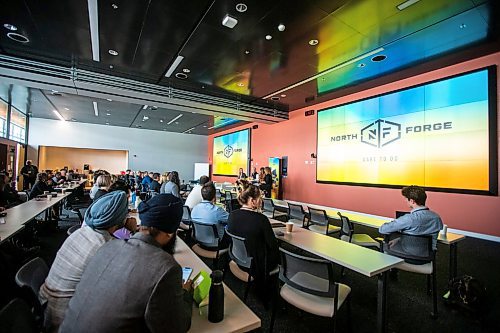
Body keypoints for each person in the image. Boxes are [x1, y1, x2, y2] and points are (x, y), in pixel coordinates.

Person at [60, 194, 193, 333]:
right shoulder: (167, 269)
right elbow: (176, 328)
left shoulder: (107, 247)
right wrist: (185, 292)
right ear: (170, 233)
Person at [39, 191, 132, 332]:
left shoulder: (81, 232)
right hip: (65, 320)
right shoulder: (107, 246)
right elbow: (124, 284)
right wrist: (131, 232)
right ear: (121, 219)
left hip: (47, 309)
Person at [227, 184, 279, 302]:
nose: (261, 201)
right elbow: (273, 246)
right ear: (252, 200)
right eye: (260, 198)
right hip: (256, 265)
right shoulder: (261, 219)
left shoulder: (232, 215)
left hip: (237, 258)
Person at [379, 185, 443, 260]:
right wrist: (398, 239)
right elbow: (419, 236)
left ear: (412, 201)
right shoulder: (436, 217)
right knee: (395, 242)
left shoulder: (408, 219)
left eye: (406, 199)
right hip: (427, 257)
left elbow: (382, 229)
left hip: (407, 255)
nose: (405, 201)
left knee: (386, 244)